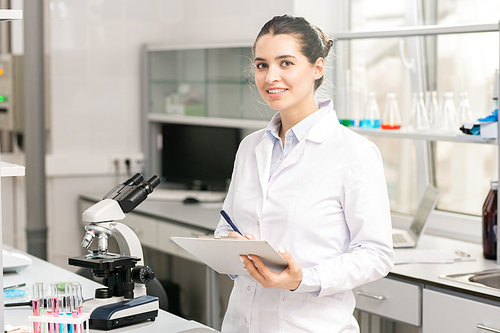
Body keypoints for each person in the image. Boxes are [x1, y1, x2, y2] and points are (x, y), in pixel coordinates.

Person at [214, 14, 394, 332]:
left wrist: (303, 279)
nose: (271, 77)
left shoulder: (354, 153)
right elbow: (225, 226)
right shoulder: (250, 147)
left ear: (317, 68)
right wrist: (232, 246)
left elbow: (376, 254)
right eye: (261, 65)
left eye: (286, 63)